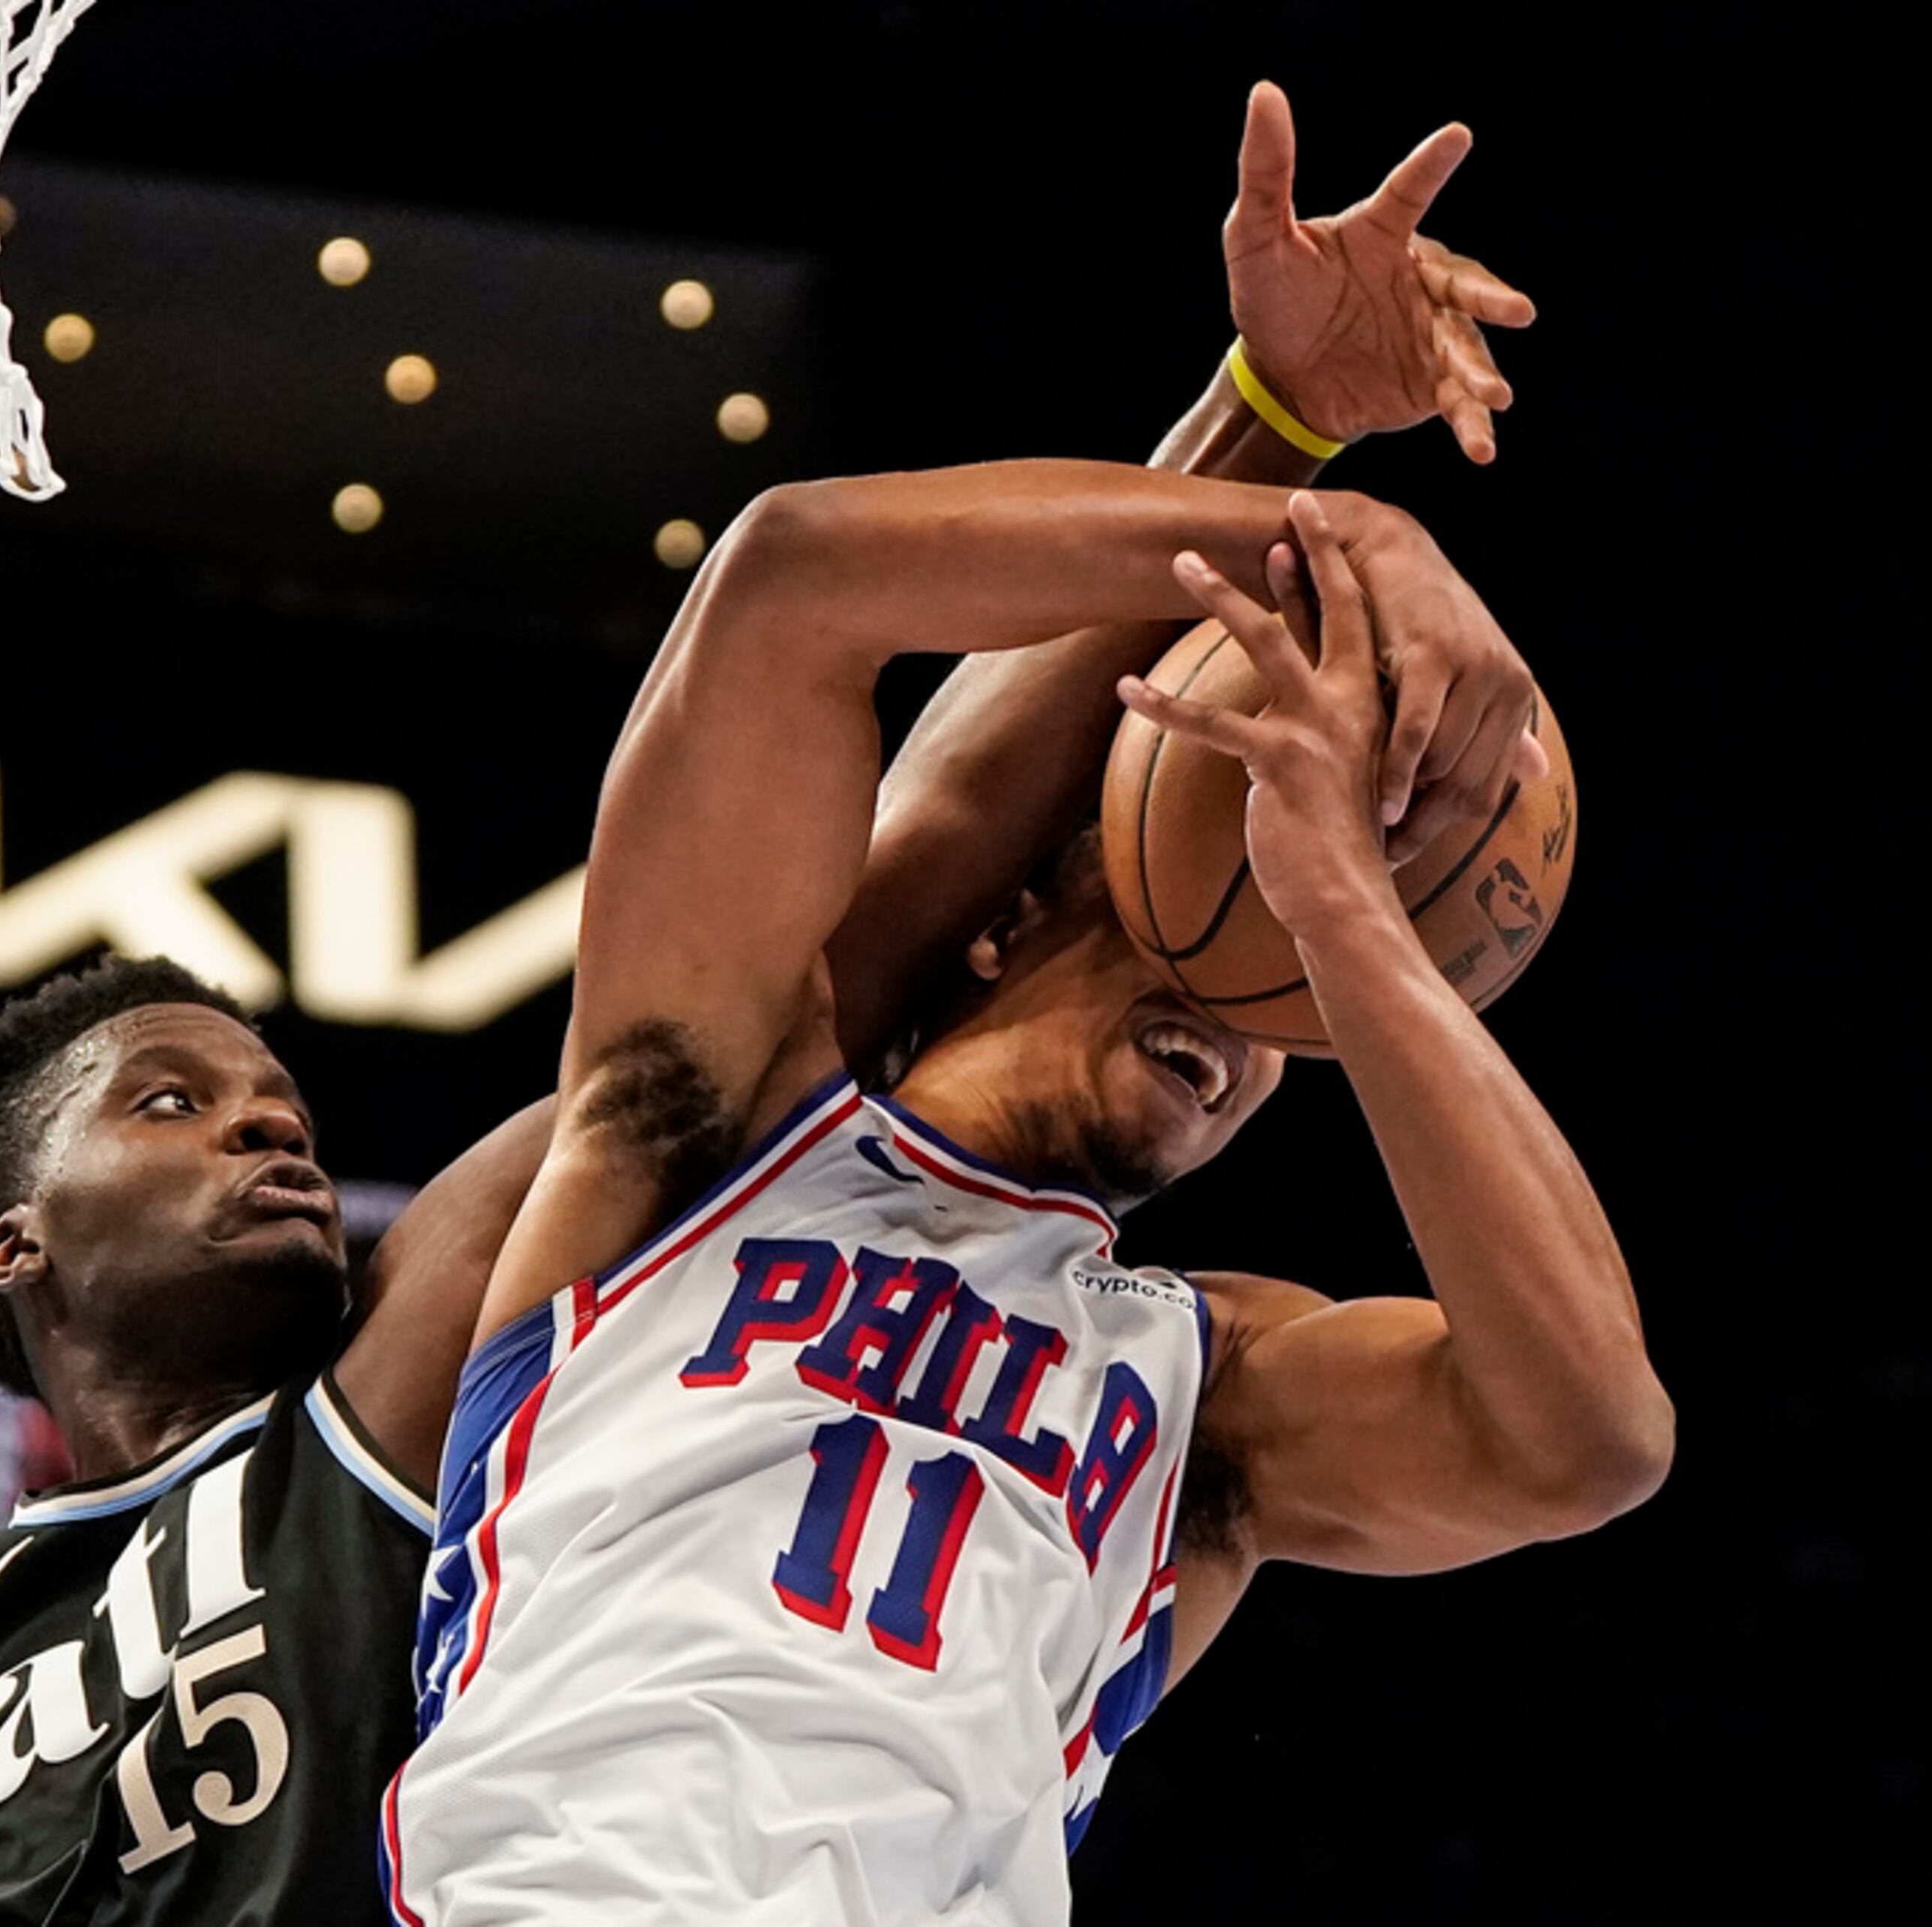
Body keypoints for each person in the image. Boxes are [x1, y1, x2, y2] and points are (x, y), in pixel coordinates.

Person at [0, 81, 1535, 1926]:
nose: (269, 1122)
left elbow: (920, 854)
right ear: (17, 1242)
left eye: (270, 1095)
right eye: (171, 1103)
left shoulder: (436, 1329)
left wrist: (1270, 452)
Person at [380, 108, 1668, 1927]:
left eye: (1286, 1022)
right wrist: (1316, 509)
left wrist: (1347, 923)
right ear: (1005, 930)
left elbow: (1589, 1443)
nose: (1244, 1028)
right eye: (1191, 947)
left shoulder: (1208, 1391)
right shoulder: (701, 1137)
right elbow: (791, 582)